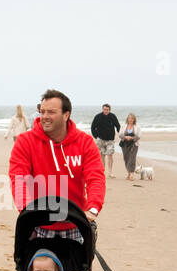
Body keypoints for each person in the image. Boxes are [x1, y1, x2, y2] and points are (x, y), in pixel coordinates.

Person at [9, 89, 105, 223]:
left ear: (66, 115)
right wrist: (27, 211)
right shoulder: (25, 142)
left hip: (76, 222)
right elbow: (19, 179)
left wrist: (93, 208)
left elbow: (95, 178)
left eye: (51, 112)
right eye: (42, 112)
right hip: (38, 223)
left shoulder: (85, 142)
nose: (45, 116)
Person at [90, 103, 122, 178]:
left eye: (107, 110)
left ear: (109, 110)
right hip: (100, 140)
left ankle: (110, 172)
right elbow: (92, 127)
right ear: (102, 109)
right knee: (102, 156)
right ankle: (102, 172)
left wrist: (121, 135)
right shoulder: (98, 116)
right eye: (104, 109)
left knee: (110, 155)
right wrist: (96, 136)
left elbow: (118, 126)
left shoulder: (112, 116)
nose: (106, 111)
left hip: (110, 140)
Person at [119, 113, 140, 179]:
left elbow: (139, 135)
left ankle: (132, 174)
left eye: (132, 118)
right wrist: (125, 137)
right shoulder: (123, 126)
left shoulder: (137, 127)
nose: (130, 120)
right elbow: (120, 134)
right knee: (126, 158)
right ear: (127, 119)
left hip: (134, 144)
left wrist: (131, 138)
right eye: (129, 118)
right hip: (124, 144)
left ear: (134, 120)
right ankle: (129, 173)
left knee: (132, 158)